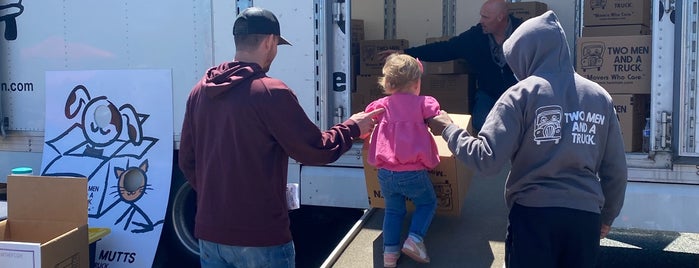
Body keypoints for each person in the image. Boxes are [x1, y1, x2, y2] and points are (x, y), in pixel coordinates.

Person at [178, 7, 383, 268]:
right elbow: (315, 150)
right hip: (260, 237)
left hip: (210, 234)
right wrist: (353, 127)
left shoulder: (199, 91)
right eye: (276, 45)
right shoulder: (269, 92)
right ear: (269, 41)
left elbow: (187, 161)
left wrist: (218, 199)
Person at [427, 11, 628, 268]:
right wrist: (607, 216)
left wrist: (449, 129)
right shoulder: (599, 96)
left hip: (534, 217)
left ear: (526, 54)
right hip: (585, 218)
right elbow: (616, 170)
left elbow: (486, 160)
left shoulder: (520, 94)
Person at [378, 0, 522, 132]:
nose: (481, 21)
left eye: (486, 17)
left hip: (519, 94)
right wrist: (405, 53)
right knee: (481, 124)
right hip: (489, 94)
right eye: (481, 16)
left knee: (525, 125)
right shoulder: (475, 37)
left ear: (501, 17)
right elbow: (445, 48)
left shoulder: (523, 33)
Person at [364, 54, 440, 267]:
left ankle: (389, 254)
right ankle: (415, 239)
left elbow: (365, 121)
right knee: (427, 202)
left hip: (386, 173)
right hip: (413, 171)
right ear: (417, 83)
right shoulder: (423, 103)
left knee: (394, 210)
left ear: (388, 83)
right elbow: (438, 117)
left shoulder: (380, 105)